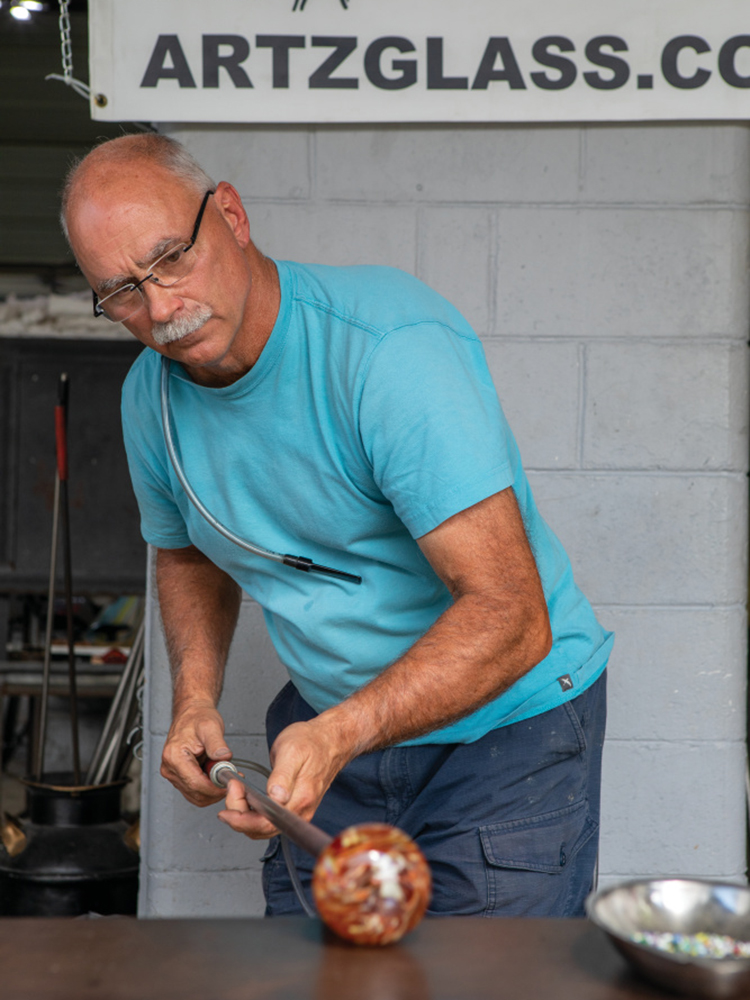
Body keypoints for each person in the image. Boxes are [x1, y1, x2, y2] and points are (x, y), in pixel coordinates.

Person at [62, 133, 613, 918]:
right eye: (120, 291)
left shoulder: (388, 350)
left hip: (505, 733)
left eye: (171, 259)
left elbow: (512, 615)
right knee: (313, 970)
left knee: (481, 975)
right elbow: (188, 551)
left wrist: (338, 733)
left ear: (231, 215)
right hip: (331, 731)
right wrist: (195, 699)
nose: (160, 310)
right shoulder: (147, 400)